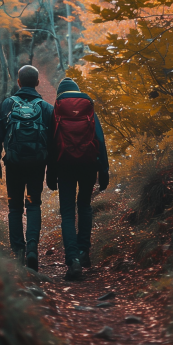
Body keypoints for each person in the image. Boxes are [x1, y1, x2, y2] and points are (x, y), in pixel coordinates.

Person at [0, 65, 54, 272]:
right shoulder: (46, 107)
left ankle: (18, 251)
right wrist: (51, 169)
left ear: (18, 82)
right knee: (33, 204)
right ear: (37, 83)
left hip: (14, 164)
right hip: (37, 164)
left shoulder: (8, 104)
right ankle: (32, 248)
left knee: (15, 207)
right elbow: (54, 142)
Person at [47, 78, 109, 280]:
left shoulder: (56, 110)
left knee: (67, 213)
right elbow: (99, 138)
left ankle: (72, 259)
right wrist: (104, 170)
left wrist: (50, 173)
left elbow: (51, 142)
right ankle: (84, 253)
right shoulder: (88, 109)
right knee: (84, 207)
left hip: (64, 166)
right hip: (88, 165)